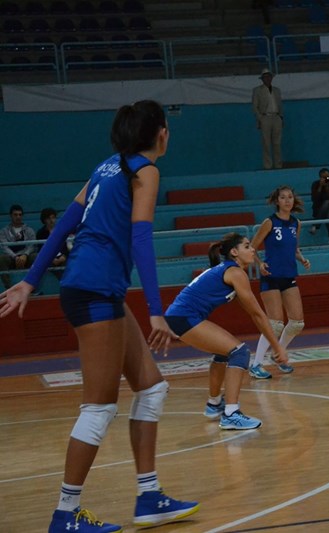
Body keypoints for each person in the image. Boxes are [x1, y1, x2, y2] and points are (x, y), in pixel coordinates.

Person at [0, 100, 199, 532]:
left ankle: (149, 497)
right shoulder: (145, 171)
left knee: (152, 388)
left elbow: (63, 226)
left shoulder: (106, 167)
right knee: (98, 407)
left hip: (94, 287)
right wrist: (156, 311)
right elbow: (141, 239)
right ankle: (65, 514)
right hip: (95, 290)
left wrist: (30, 281)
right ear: (161, 133)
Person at [165, 233, 287, 430]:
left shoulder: (229, 271)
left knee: (224, 353)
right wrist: (277, 346)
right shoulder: (235, 273)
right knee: (240, 352)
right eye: (247, 246)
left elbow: (253, 313)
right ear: (234, 252)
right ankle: (231, 413)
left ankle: (214, 404)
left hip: (178, 317)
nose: (253, 249)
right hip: (184, 316)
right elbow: (258, 314)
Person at [249, 185, 311, 379]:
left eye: (290, 197)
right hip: (271, 276)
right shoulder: (269, 222)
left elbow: (294, 248)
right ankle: (256, 364)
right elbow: (251, 248)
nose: (287, 200)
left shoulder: (296, 223)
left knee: (297, 323)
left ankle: (278, 355)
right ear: (277, 201)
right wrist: (259, 263)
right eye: (283, 197)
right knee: (275, 324)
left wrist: (302, 259)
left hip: (288, 275)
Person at [0, 204, 38, 290]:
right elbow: (4, 247)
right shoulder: (3, 231)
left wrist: (25, 254)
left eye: (20, 215)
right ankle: (9, 289)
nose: (18, 217)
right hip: (11, 259)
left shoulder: (29, 230)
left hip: (26, 258)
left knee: (36, 256)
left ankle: (32, 289)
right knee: (1, 259)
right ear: (11, 216)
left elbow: (32, 245)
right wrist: (15, 257)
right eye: (15, 215)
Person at [252, 67, 283, 170]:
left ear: (271, 78)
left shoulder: (277, 90)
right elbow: (254, 106)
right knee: (266, 143)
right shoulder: (257, 90)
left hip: (276, 116)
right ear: (262, 79)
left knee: (277, 142)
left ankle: (278, 165)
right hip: (265, 117)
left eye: (269, 76)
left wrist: (281, 117)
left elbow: (280, 104)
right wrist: (260, 118)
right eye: (265, 77)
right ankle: (267, 165)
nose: (267, 79)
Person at [36, 207, 69, 279]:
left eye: (53, 218)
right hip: (48, 258)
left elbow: (65, 247)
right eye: (49, 218)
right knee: (47, 264)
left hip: (61, 257)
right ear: (44, 220)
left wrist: (64, 256)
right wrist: (51, 258)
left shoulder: (60, 231)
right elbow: (41, 249)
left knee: (69, 264)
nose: (51, 220)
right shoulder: (40, 233)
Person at [309, 167, 329, 244]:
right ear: (320, 178)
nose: (326, 179)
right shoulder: (315, 184)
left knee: (328, 202)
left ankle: (315, 225)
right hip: (318, 208)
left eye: (327, 177)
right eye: (323, 177)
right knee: (328, 213)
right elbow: (314, 199)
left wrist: (327, 187)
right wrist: (320, 187)